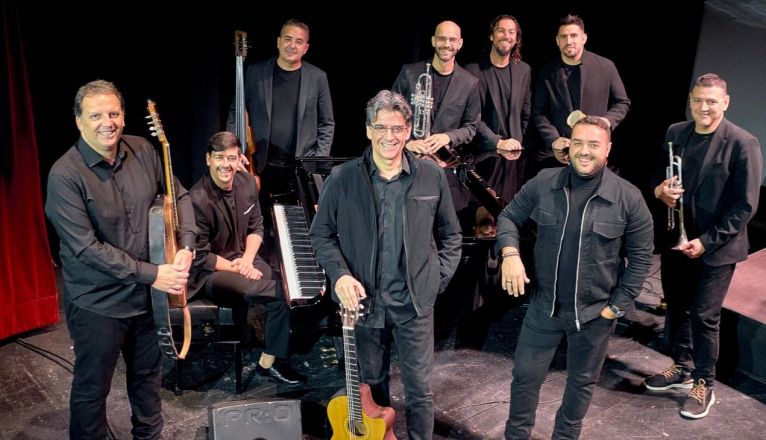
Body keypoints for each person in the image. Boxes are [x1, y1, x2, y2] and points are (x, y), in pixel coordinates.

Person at [45, 80, 197, 439]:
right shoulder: (64, 176)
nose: (107, 122)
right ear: (79, 121)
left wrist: (187, 245)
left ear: (124, 117)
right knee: (92, 390)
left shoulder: (142, 149)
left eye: (113, 113)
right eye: (96, 115)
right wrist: (152, 274)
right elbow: (86, 248)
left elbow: (179, 195)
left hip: (147, 298)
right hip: (99, 304)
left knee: (147, 381)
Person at [309, 90, 462, 439]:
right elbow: (320, 235)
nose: (389, 136)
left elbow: (451, 236)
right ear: (368, 130)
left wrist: (434, 280)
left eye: (397, 128)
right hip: (364, 307)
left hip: (414, 306)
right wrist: (340, 276)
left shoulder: (431, 176)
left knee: (420, 391)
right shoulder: (342, 178)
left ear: (408, 130)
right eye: (380, 127)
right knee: (372, 389)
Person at [497, 116, 654, 439]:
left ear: (607, 149)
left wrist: (615, 307)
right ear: (568, 146)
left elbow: (641, 258)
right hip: (544, 308)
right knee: (524, 379)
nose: (584, 151)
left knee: (581, 384)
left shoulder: (628, 197)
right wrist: (510, 254)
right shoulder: (544, 182)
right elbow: (508, 217)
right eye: (578, 143)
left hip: (595, 315)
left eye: (594, 144)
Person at [644, 73, 762, 419]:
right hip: (677, 241)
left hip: (717, 247)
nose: (703, 107)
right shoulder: (675, 132)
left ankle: (704, 383)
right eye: (697, 100)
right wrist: (659, 191)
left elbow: (745, 206)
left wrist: (706, 242)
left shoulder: (743, 143)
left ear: (725, 102)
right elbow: (657, 177)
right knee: (677, 308)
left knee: (704, 316)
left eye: (711, 101)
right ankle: (681, 366)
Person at [187, 131, 306, 385]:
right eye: (219, 157)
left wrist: (248, 261)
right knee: (278, 294)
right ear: (208, 159)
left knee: (285, 286)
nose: (226, 165)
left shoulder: (248, 183)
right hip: (212, 271)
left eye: (232, 158)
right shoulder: (196, 200)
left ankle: (269, 356)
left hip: (243, 258)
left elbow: (256, 227)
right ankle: (273, 361)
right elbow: (201, 257)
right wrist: (238, 268)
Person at [228, 18, 334, 211]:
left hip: (300, 168)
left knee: (297, 221)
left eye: (299, 41)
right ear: (278, 42)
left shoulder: (318, 78)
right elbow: (236, 113)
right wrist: (234, 151)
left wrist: (316, 161)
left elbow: (326, 124)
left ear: (306, 48)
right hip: (260, 165)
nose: (292, 45)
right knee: (259, 220)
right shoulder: (255, 72)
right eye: (288, 39)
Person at [392, 20, 480, 231]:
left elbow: (471, 127)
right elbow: (391, 115)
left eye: (452, 40)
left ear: (460, 44)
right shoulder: (410, 73)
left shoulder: (470, 83)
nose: (446, 44)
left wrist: (447, 137)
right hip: (408, 165)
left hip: (447, 173)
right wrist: (407, 142)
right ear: (433, 41)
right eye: (442, 38)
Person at [532, 14, 630, 171]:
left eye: (573, 36)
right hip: (562, 156)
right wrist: (554, 140)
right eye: (563, 37)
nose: (568, 41)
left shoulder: (606, 67)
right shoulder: (546, 72)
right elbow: (539, 113)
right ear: (557, 40)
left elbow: (622, 102)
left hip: (597, 153)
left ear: (584, 38)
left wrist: (606, 122)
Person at [465, 14, 532, 205]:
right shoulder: (473, 71)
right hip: (482, 157)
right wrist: (498, 142)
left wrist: (518, 139)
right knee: (483, 208)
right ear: (491, 36)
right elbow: (472, 117)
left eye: (511, 32)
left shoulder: (524, 70)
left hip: (513, 160)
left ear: (517, 38)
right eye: (501, 30)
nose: (506, 36)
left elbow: (526, 110)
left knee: (507, 210)